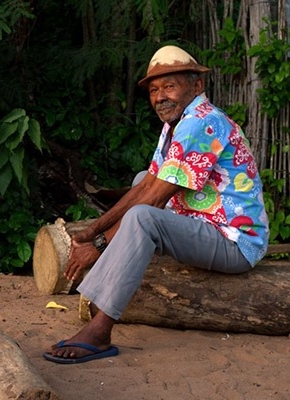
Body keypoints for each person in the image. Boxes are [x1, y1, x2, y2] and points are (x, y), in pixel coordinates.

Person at [43, 45, 270, 364]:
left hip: (235, 242)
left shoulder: (202, 123)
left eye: (169, 86)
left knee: (143, 217)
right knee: (139, 181)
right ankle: (108, 285)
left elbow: (154, 200)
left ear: (197, 85)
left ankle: (100, 330)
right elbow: (149, 184)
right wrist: (95, 232)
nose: (160, 96)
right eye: (154, 89)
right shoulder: (176, 124)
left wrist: (96, 243)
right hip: (203, 221)